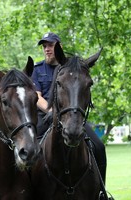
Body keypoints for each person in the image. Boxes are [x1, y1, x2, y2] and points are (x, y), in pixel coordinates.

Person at [31, 32, 107, 184]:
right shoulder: (37, 69)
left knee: (98, 147)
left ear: (59, 47)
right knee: (29, 148)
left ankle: (101, 191)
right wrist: (51, 110)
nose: (47, 49)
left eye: (50, 45)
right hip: (45, 115)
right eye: (44, 46)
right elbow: (36, 96)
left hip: (71, 115)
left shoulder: (71, 68)